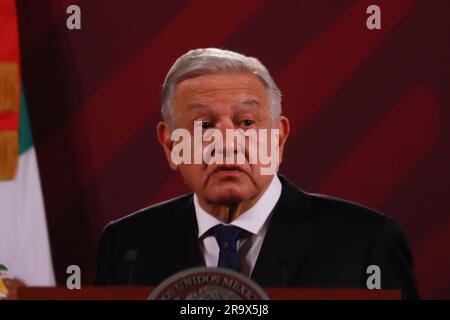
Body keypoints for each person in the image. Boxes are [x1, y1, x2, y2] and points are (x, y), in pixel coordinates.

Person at [94, 48, 419, 299]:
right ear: (169, 145)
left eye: (246, 122)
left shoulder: (364, 242)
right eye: (203, 125)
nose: (226, 142)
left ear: (278, 138)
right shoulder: (127, 247)